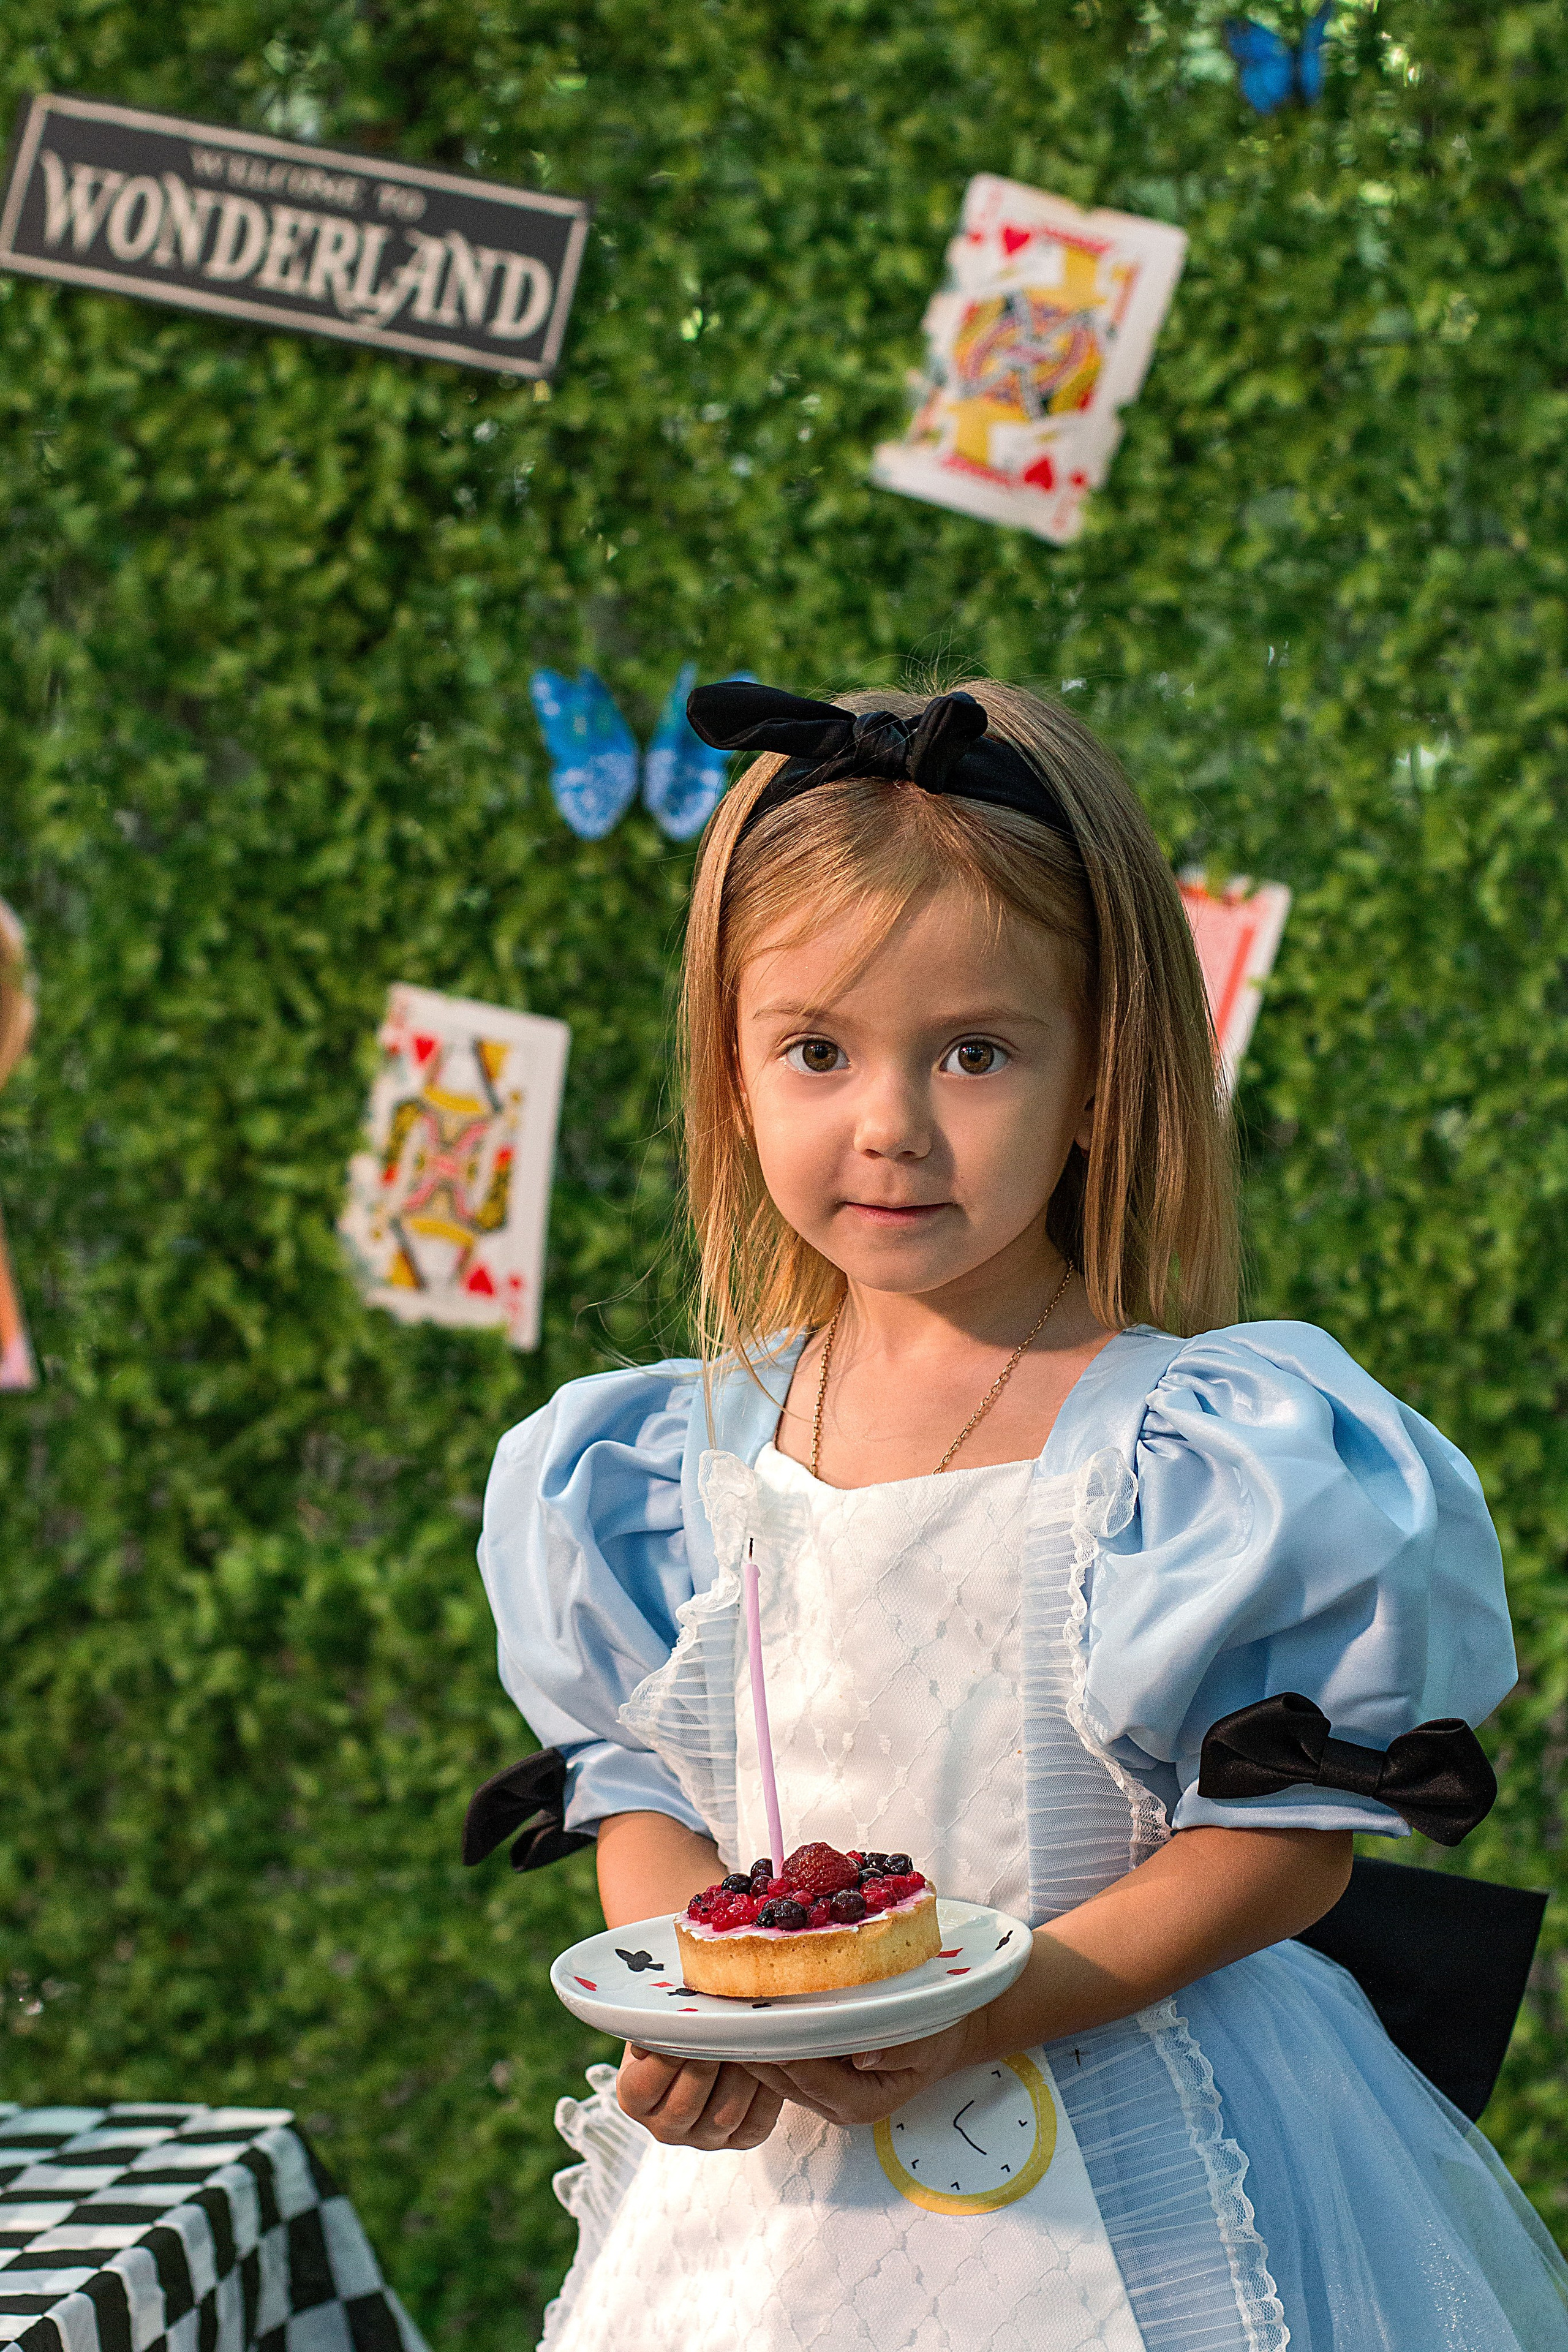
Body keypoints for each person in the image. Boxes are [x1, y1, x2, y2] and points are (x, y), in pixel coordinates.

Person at [478, 679, 1568, 2352]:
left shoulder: (1206, 1453)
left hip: (1128, 2150)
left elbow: (1280, 1849)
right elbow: (645, 1794)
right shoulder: (658, 1467)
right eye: (818, 1051)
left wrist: (1010, 2002)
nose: (892, 1124)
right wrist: (703, 2002)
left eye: (974, 1052)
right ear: (732, 1063)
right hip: (784, 2213)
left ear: (1099, 1070)